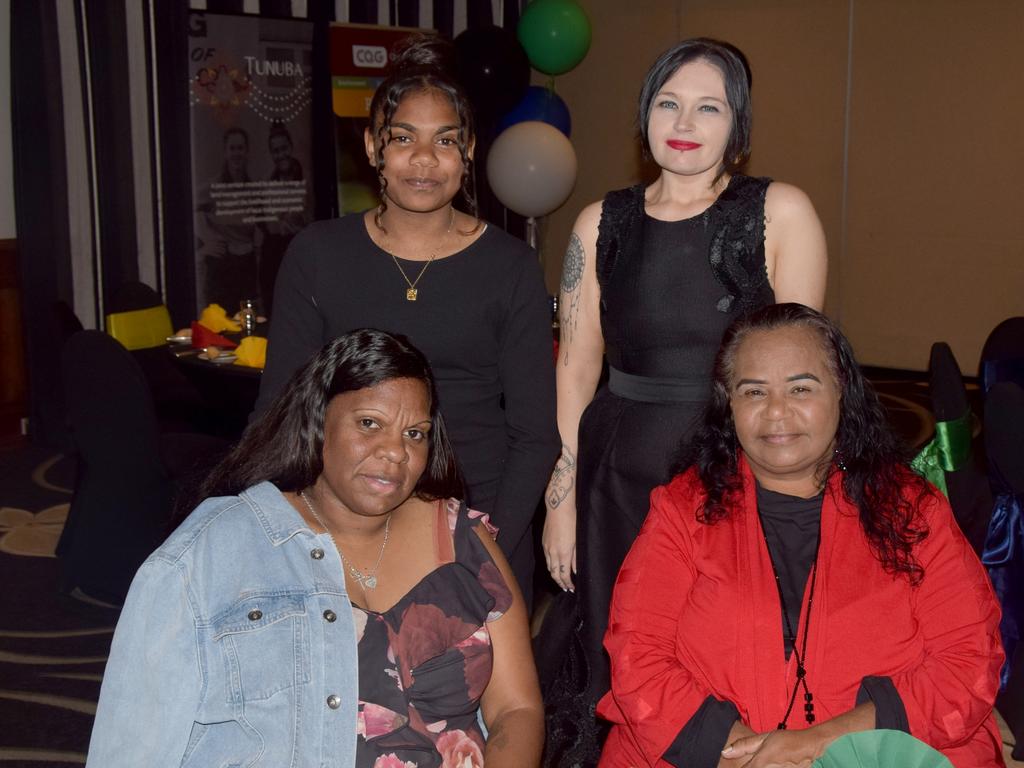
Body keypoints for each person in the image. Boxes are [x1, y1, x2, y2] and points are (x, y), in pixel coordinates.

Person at [539, 38, 828, 764]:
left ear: (739, 124)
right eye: (669, 102)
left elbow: (800, 378)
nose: (686, 121)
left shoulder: (780, 212)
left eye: (710, 107)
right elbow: (576, 366)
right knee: (617, 645)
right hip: (615, 474)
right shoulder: (598, 222)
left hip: (733, 471)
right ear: (645, 116)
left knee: (728, 646)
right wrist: (562, 494)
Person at [86, 329, 544, 767]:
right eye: (370, 424)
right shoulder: (211, 553)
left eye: (414, 433)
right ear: (317, 422)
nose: (395, 452)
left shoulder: (463, 538)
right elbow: (131, 747)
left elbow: (516, 710)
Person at [598, 303, 1005, 767]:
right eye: (754, 391)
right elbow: (638, 657)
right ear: (728, 404)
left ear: (841, 393)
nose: (776, 411)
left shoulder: (913, 510)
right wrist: (745, 758)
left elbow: (967, 662)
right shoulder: (682, 509)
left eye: (800, 388)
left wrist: (821, 745)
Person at [255, 35, 559, 606]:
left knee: (470, 694)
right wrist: (279, 521)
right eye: (403, 139)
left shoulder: (510, 265)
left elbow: (535, 434)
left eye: (445, 140)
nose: (424, 160)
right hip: (345, 515)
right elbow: (279, 411)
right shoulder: (318, 255)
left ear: (468, 149)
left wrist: (485, 538)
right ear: (373, 148)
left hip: (479, 513)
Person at [195, 126, 260, 311]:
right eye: (232, 148)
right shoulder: (213, 186)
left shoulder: (254, 188)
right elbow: (192, 210)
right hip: (221, 270)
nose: (236, 153)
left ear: (247, 151)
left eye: (240, 148)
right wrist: (206, 241)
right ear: (225, 152)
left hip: (247, 268)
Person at [260, 121, 309, 312]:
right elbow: (272, 226)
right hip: (275, 256)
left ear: (291, 147)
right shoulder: (268, 184)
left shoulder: (308, 177)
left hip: (306, 255)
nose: (280, 155)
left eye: (283, 148)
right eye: (275, 151)